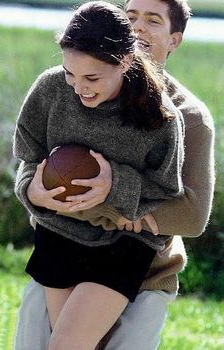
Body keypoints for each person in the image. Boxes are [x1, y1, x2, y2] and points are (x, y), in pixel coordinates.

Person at [14, 0, 215, 349]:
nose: (138, 28)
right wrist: (32, 192)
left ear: (175, 39)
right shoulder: (58, 87)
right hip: (59, 237)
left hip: (137, 260)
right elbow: (31, 161)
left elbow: (187, 212)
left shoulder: (179, 117)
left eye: (152, 20)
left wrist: (114, 190)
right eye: (131, 16)